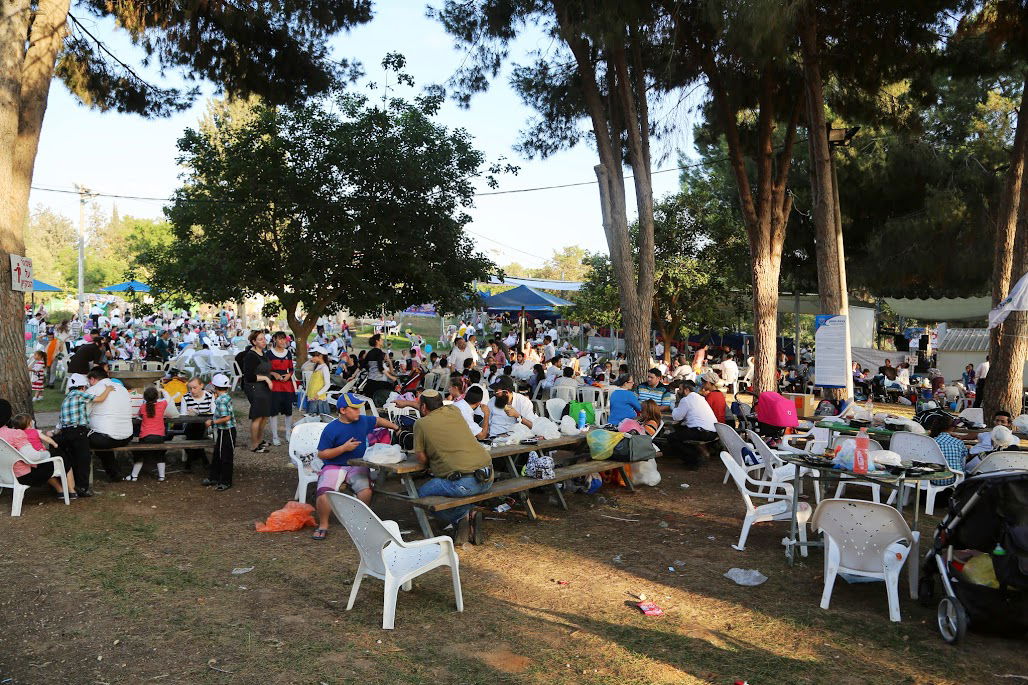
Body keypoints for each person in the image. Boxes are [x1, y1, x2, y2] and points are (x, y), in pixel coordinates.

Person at [311, 393, 397, 540]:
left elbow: (378, 420)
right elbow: (322, 454)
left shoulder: (362, 421)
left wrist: (396, 428)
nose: (359, 412)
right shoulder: (331, 429)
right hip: (334, 465)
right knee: (324, 493)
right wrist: (343, 449)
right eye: (355, 409)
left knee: (365, 490)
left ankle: (360, 521)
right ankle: (323, 524)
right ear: (343, 410)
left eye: (359, 408)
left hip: (357, 464)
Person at [414, 389, 493, 544]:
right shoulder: (454, 410)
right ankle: (466, 515)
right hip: (488, 476)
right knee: (446, 485)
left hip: (464, 483)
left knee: (421, 495)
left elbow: (421, 458)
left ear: (423, 408)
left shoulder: (420, 424)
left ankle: (461, 515)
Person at [1, 404, 75, 498]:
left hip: (3, 476)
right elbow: (33, 457)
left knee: (49, 461)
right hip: (24, 476)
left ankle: (61, 490)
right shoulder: (16, 434)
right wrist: (48, 453)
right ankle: (72, 491)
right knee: (59, 456)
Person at [86, 367, 133, 482]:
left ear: (92, 379)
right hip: (127, 436)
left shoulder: (93, 390)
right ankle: (114, 472)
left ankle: (79, 475)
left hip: (105, 438)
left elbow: (83, 414)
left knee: (82, 438)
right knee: (102, 437)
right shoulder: (122, 389)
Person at [241, 330, 274, 453]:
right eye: (260, 339)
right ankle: (254, 445)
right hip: (255, 387)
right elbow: (249, 376)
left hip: (264, 387)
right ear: (254, 342)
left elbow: (264, 370)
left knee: (265, 415)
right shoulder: (251, 356)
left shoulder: (263, 353)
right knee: (258, 416)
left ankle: (260, 440)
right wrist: (266, 378)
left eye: (264, 339)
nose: (263, 341)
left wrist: (271, 375)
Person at [204, 373, 236, 491]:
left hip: (227, 431)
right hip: (223, 431)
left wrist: (212, 422)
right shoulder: (225, 397)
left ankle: (226, 481)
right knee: (218, 454)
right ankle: (214, 477)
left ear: (215, 388)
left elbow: (226, 417)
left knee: (226, 456)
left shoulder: (221, 400)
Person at [129, 386, 168, 482]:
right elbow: (168, 398)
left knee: (140, 454)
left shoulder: (143, 407)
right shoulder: (162, 405)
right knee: (160, 454)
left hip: (145, 437)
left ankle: (134, 476)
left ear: (144, 398)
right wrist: (162, 390)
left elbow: (139, 417)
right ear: (157, 397)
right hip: (159, 436)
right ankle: (162, 476)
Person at [267, 331, 296, 446]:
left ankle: (288, 434)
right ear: (274, 339)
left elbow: (291, 369)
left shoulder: (288, 353)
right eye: (280, 339)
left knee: (288, 411)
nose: (283, 341)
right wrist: (273, 374)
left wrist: (289, 375)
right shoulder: (269, 354)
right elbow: (265, 370)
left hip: (287, 386)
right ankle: (275, 436)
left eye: (284, 339)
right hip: (274, 386)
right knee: (273, 412)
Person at [180, 376, 214, 472]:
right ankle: (204, 460)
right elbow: (182, 417)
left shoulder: (209, 396)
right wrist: (189, 414)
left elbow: (214, 412)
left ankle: (189, 462)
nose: (192, 390)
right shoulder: (186, 397)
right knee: (195, 426)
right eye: (190, 388)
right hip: (189, 426)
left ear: (201, 385)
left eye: (194, 387)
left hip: (206, 426)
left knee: (197, 428)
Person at [924, 412, 967, 487]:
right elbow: (963, 459)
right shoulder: (958, 442)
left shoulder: (931, 442)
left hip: (933, 479)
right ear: (951, 427)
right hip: (956, 478)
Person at [363, 333, 398, 407]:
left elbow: (363, 366)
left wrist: (353, 376)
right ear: (377, 341)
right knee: (392, 386)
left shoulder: (370, 352)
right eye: (381, 339)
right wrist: (392, 378)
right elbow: (381, 368)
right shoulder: (379, 352)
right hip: (378, 382)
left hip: (370, 381)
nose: (382, 341)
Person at [305, 347, 332, 415]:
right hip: (312, 396)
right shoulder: (317, 366)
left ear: (320, 356)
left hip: (318, 398)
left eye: (313, 356)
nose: (311, 358)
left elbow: (327, 384)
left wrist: (318, 393)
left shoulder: (324, 368)